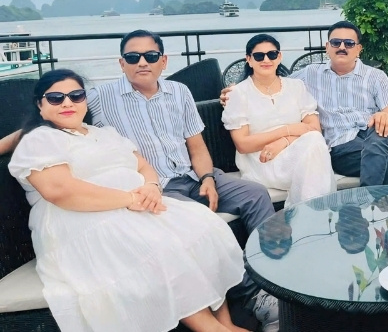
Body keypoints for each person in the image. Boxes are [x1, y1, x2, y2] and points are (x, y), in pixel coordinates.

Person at [8, 70, 248, 332]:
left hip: (135, 206)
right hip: (79, 218)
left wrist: (152, 187)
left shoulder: (103, 133)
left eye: (76, 96)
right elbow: (60, 191)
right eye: (56, 98)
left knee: (203, 228)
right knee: (162, 248)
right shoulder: (39, 139)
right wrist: (129, 198)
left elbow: (143, 165)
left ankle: (225, 322)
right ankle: (212, 329)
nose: (68, 103)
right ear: (40, 105)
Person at [89, 29, 276, 329]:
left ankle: (270, 284)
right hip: (156, 189)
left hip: (194, 176)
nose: (142, 62)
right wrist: (11, 141)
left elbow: (197, 147)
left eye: (150, 56)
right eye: (132, 57)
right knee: (199, 226)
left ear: (163, 61)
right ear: (121, 63)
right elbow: (55, 113)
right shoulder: (100, 98)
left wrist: (208, 178)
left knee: (256, 195)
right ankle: (250, 295)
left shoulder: (179, 92)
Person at [222, 34, 335, 206]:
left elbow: (314, 129)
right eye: (259, 56)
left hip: (297, 154)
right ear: (249, 60)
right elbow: (243, 144)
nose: (266, 60)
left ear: (279, 56)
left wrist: (284, 141)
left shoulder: (296, 86)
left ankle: (308, 214)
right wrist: (286, 130)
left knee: (315, 142)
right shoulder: (238, 93)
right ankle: (314, 214)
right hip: (263, 161)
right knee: (316, 158)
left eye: (272, 54)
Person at [290, 21, 388, 186]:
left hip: (375, 132)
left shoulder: (376, 76)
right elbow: (276, 84)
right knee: (384, 156)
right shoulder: (310, 73)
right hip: (341, 143)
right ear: (327, 47)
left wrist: (385, 116)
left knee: (378, 140)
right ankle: (379, 201)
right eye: (336, 42)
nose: (342, 47)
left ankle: (369, 201)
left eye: (349, 43)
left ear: (358, 49)